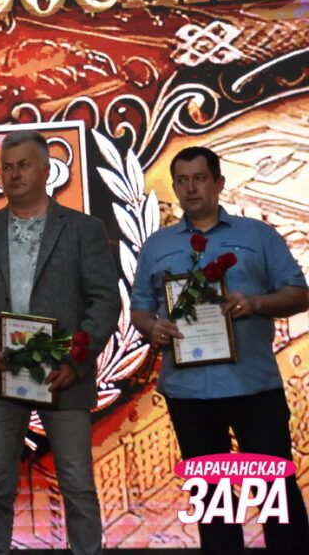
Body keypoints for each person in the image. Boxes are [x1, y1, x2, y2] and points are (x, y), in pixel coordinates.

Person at [0, 130, 120, 555]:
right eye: (6, 167)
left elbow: (105, 301)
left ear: (46, 170)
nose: (14, 174)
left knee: (77, 484)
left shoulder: (84, 229)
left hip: (64, 376)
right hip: (0, 375)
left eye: (23, 165)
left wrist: (76, 361)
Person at [130, 146, 309, 554]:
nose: (190, 188)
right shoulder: (157, 245)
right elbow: (140, 308)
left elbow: (300, 294)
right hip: (188, 391)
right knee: (212, 499)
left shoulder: (257, 235)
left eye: (199, 178)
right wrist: (152, 326)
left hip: (253, 385)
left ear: (218, 183)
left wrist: (256, 303)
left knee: (275, 493)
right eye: (181, 180)